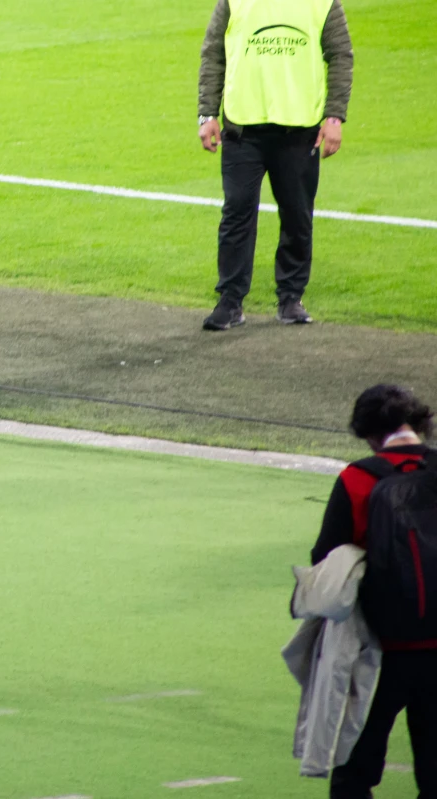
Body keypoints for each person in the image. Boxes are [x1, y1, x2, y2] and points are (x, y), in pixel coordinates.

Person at [311, 384, 437, 798]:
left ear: (368, 434)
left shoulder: (357, 478)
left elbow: (325, 563)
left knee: (354, 769)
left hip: (377, 651)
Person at [197, 0, 353, 330]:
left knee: (297, 214)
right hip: (243, 127)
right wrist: (207, 114)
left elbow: (340, 55)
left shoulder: (323, 2)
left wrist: (335, 115)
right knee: (237, 211)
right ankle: (230, 299)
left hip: (300, 130)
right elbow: (213, 52)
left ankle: (291, 297)